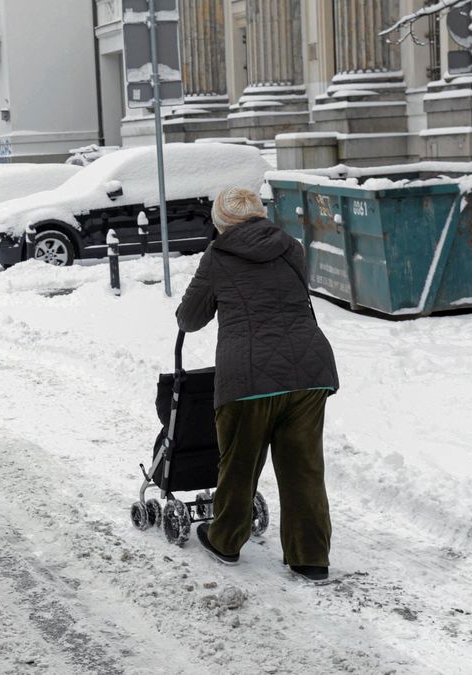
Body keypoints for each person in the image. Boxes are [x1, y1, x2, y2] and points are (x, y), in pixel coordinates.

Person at [175, 187, 339, 581]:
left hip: (246, 377)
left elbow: (190, 319)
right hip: (309, 372)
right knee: (304, 468)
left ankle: (225, 540)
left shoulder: (217, 257)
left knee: (240, 464)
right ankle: (310, 558)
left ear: (220, 222)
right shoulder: (292, 248)